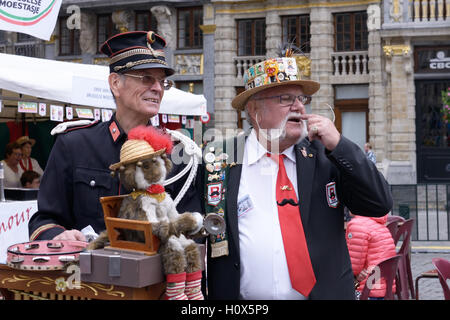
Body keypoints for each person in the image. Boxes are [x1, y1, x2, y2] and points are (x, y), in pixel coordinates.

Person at [203, 55, 393, 300]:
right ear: (254, 109)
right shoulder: (220, 158)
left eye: (302, 99)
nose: (299, 107)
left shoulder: (327, 155)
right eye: (285, 99)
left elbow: (379, 203)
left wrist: (340, 144)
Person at [28, 31, 201, 242]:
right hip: (88, 272)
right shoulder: (74, 144)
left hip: (156, 273)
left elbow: (193, 229)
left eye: (162, 81)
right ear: (115, 83)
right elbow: (44, 220)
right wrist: (59, 236)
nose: (157, 88)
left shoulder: (178, 152)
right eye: (146, 78)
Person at [345, 214, 397, 299]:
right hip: (384, 288)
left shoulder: (357, 225)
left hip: (367, 289)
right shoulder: (379, 224)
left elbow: (353, 266)